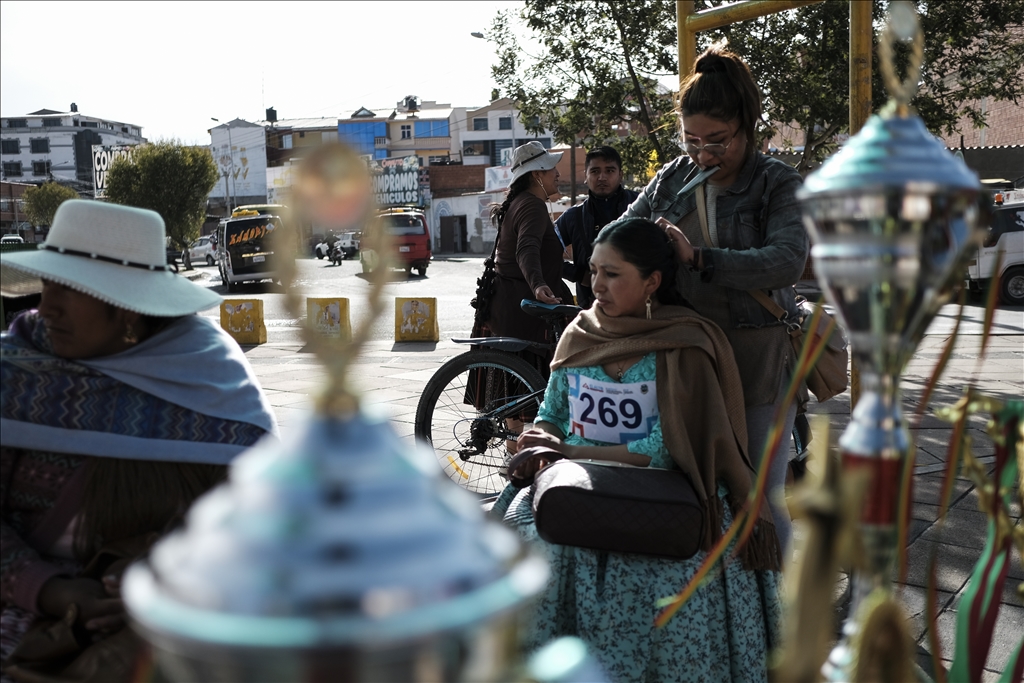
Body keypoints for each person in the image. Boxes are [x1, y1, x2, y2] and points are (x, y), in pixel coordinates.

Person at [492, 217, 782, 683]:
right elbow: (553, 407)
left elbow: (664, 450)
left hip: (661, 501)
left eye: (612, 274)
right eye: (592, 270)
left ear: (652, 283)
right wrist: (539, 436)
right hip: (573, 486)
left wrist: (566, 449)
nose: (595, 285)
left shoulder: (686, 344)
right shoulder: (579, 332)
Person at [0, 200, 277, 675]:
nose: (46, 307)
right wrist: (50, 589)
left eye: (68, 288)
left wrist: (168, 574)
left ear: (126, 307)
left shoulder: (208, 376)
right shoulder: (16, 373)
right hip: (26, 618)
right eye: (47, 284)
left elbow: (260, 523)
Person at [624, 44, 809, 553]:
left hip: (758, 356)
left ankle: (782, 614)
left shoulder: (776, 182)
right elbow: (620, 233)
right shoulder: (674, 178)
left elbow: (787, 260)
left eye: (718, 142)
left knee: (761, 491)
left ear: (748, 127)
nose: (703, 155)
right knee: (694, 484)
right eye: (691, 140)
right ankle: (720, 610)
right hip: (688, 357)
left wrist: (702, 258)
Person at [554, 146, 639, 308]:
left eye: (609, 171)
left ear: (620, 175)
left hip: (640, 306)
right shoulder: (573, 217)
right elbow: (545, 254)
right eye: (595, 171)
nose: (602, 177)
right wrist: (580, 275)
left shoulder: (642, 206)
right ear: (585, 176)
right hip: (592, 309)